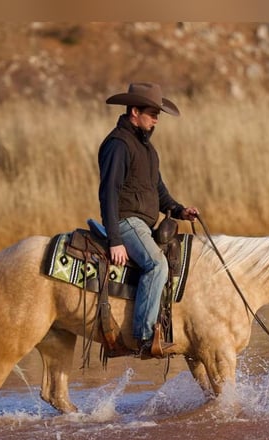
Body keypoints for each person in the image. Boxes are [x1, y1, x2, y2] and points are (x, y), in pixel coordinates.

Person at [98, 82, 199, 357]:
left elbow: (159, 191)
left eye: (158, 114)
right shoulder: (118, 144)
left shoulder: (147, 149)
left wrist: (179, 210)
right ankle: (144, 337)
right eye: (152, 113)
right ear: (134, 111)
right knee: (156, 264)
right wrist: (115, 240)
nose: (156, 119)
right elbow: (109, 194)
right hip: (125, 221)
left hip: (142, 223)